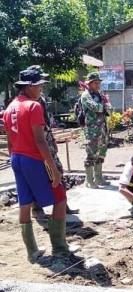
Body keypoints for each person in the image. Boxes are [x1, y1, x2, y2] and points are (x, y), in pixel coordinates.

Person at [3, 69, 74, 262]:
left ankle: (32, 251)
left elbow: (9, 141)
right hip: (34, 159)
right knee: (59, 197)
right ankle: (60, 248)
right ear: (28, 86)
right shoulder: (33, 107)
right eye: (39, 85)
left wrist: (15, 160)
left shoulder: (10, 108)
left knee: (24, 203)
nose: (42, 88)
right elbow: (40, 141)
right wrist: (54, 169)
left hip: (17, 158)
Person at [26, 65, 78, 217]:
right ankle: (37, 208)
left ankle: (62, 205)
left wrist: (52, 141)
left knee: (57, 172)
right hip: (38, 145)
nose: (43, 84)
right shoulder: (29, 102)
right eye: (40, 82)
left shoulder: (39, 99)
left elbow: (46, 124)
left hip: (47, 142)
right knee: (44, 174)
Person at [80, 72, 112, 188]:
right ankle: (89, 180)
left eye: (99, 83)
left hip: (102, 128)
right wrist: (103, 107)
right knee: (91, 154)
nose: (98, 85)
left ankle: (98, 178)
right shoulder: (85, 95)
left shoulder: (99, 95)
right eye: (96, 83)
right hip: (92, 130)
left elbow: (109, 109)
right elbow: (95, 107)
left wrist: (104, 107)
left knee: (101, 153)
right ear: (89, 83)